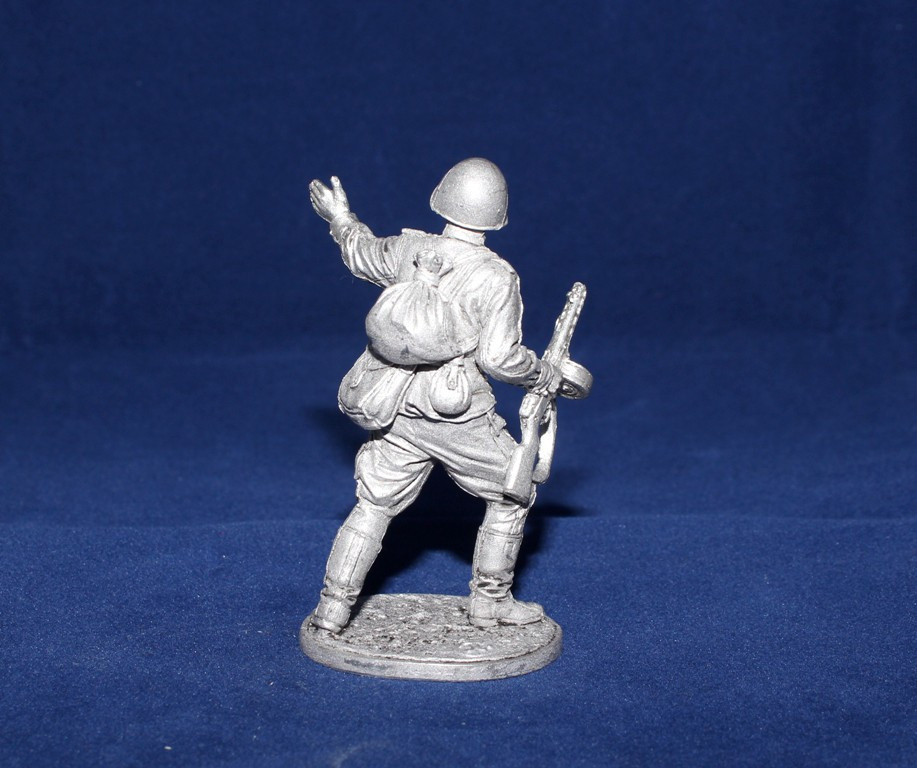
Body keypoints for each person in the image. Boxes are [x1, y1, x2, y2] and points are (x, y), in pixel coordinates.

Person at [308, 158, 564, 633]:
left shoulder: (410, 249)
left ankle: (332, 609)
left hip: (395, 406)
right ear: (497, 214)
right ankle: (490, 602)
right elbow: (499, 359)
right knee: (514, 492)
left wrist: (340, 216)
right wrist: (543, 373)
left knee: (373, 505)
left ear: (442, 198)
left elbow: (361, 253)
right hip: (457, 414)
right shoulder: (496, 276)